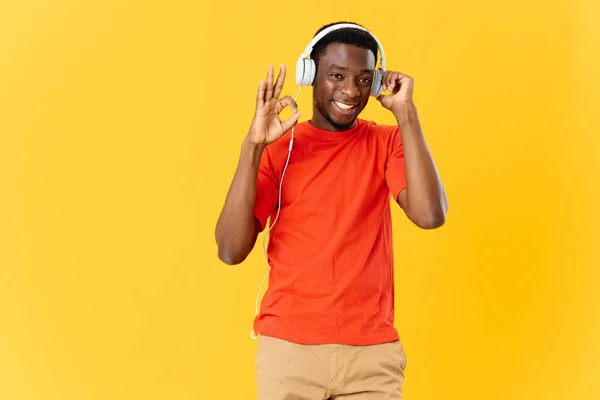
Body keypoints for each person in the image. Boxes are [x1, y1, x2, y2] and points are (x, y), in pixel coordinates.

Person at [215, 21, 448, 400]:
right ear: (311, 75)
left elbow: (430, 215)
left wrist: (407, 115)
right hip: (290, 353)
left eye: (362, 80)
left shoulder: (387, 142)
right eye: (336, 75)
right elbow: (230, 249)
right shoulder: (280, 147)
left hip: (371, 355)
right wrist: (253, 146)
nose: (349, 91)